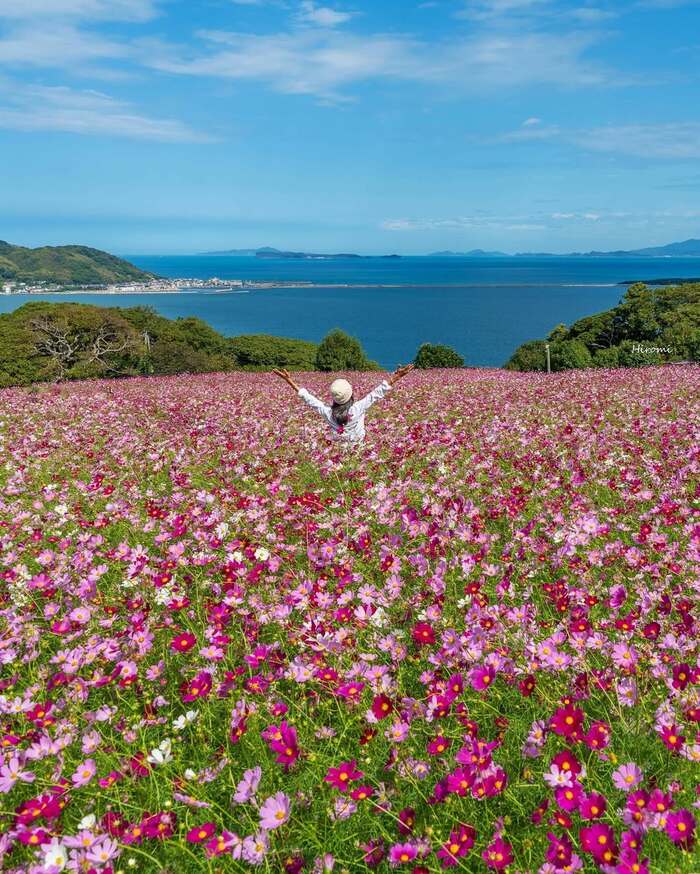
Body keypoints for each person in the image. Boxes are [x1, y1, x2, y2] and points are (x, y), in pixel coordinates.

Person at [272, 364, 414, 445]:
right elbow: (376, 393)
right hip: (360, 452)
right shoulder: (357, 408)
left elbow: (308, 398)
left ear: (334, 398)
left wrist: (289, 381)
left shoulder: (328, 413)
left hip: (338, 455)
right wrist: (396, 376)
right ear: (351, 394)